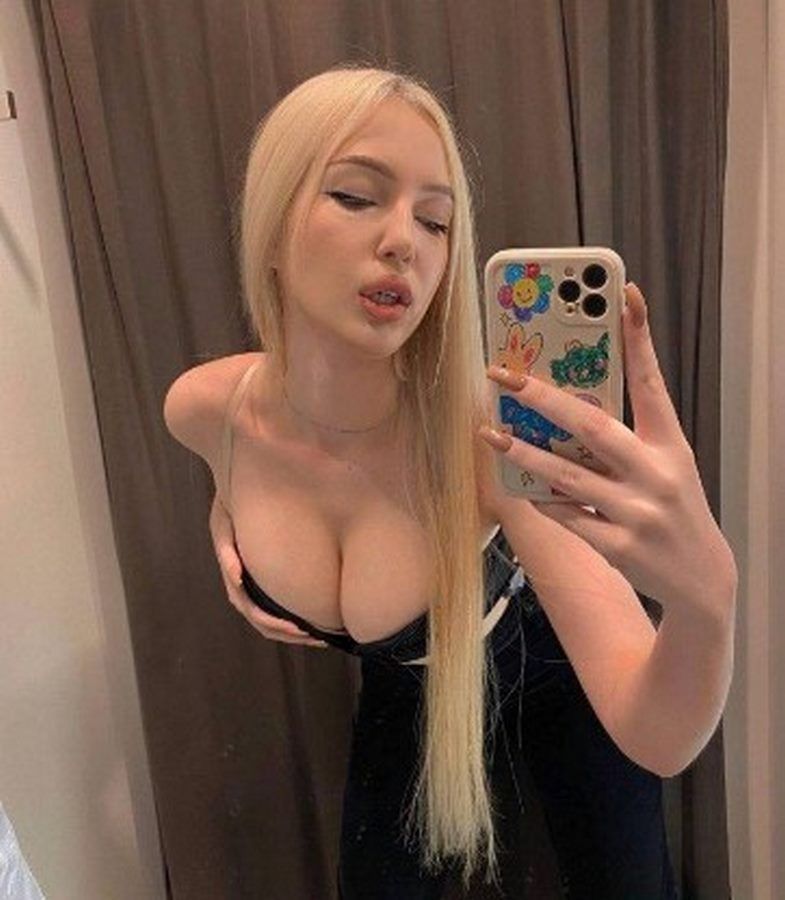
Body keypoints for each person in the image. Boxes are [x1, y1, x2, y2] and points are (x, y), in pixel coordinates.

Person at [164, 64, 737, 899]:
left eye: (435, 220)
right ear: (270, 222)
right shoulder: (202, 412)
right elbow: (265, 461)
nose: (405, 240)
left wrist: (706, 598)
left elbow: (658, 734)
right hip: (410, 682)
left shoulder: (485, 442)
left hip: (549, 668)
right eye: (355, 196)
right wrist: (229, 514)